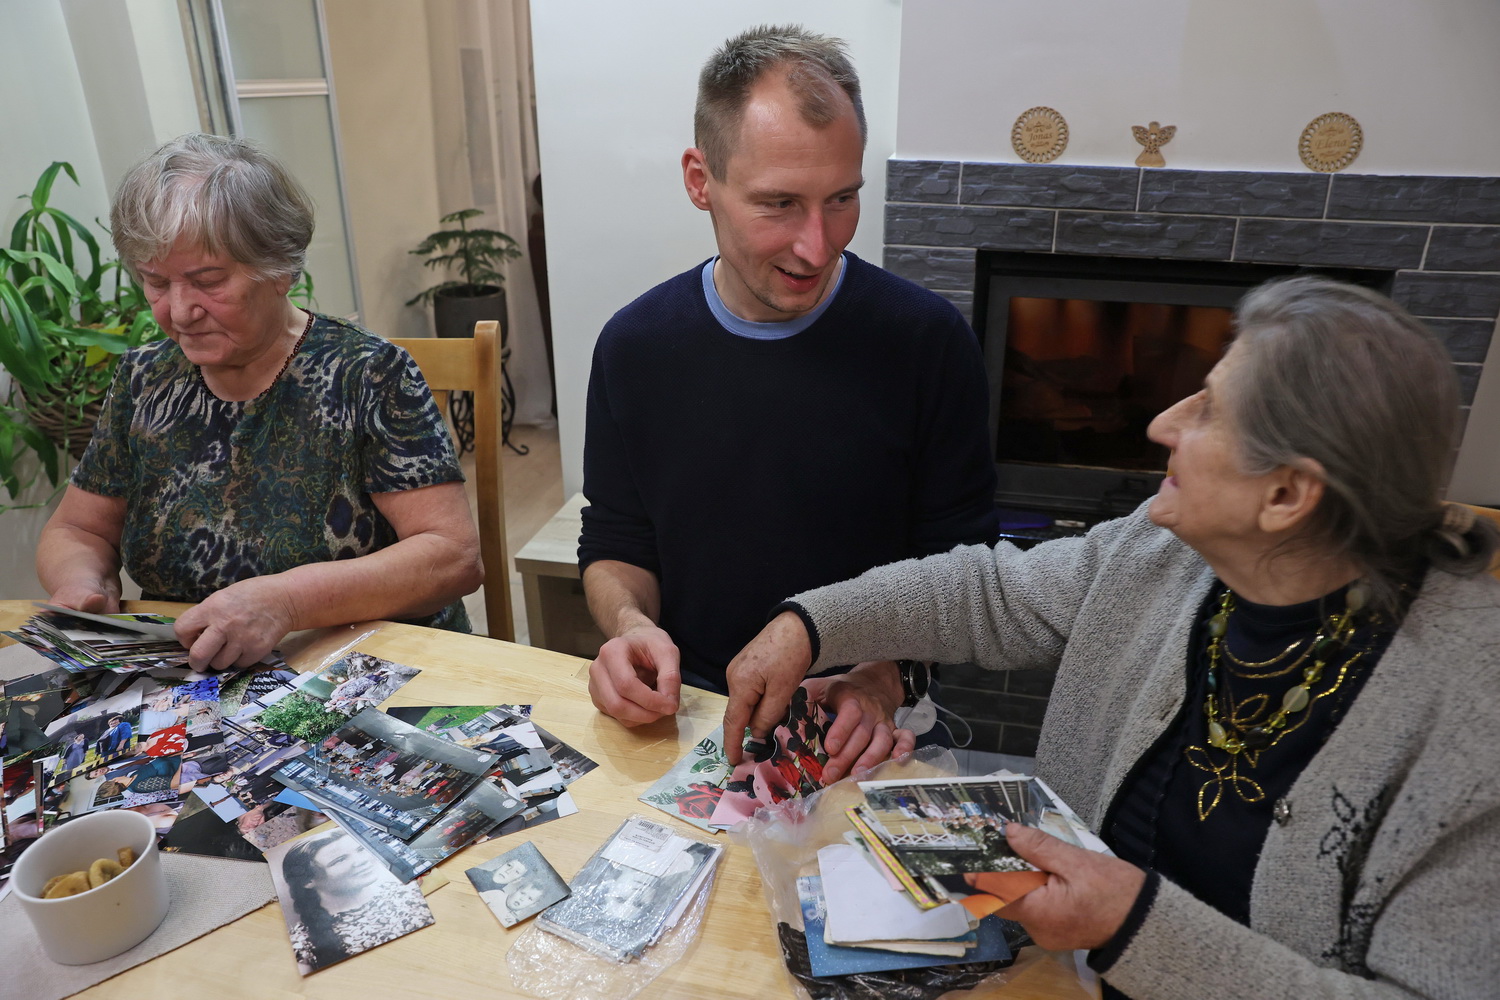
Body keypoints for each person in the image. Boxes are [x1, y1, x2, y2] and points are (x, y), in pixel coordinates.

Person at [722, 276, 1500, 999]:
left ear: (1288, 494)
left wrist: (1135, 927)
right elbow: (993, 592)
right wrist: (809, 624)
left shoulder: (1474, 731)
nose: (1162, 423)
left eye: (1207, 412)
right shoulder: (1165, 551)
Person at [578, 25, 997, 780]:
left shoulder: (927, 342)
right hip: (694, 715)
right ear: (700, 179)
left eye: (842, 199)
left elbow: (964, 573)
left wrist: (884, 677)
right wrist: (629, 627)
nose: (817, 244)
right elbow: (616, 541)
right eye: (779, 204)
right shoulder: (634, 346)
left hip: (870, 718)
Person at [36, 133, 483, 672]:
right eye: (154, 282)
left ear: (279, 270)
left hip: (361, 675)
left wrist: (287, 600)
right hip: (197, 677)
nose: (178, 311)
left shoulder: (367, 375)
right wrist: (82, 584)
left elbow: (452, 557)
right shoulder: (143, 380)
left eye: (208, 282)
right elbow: (78, 530)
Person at [280, 830, 430, 971]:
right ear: (308, 880)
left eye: (360, 850)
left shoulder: (410, 891)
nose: (361, 861)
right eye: (339, 860)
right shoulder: (303, 941)